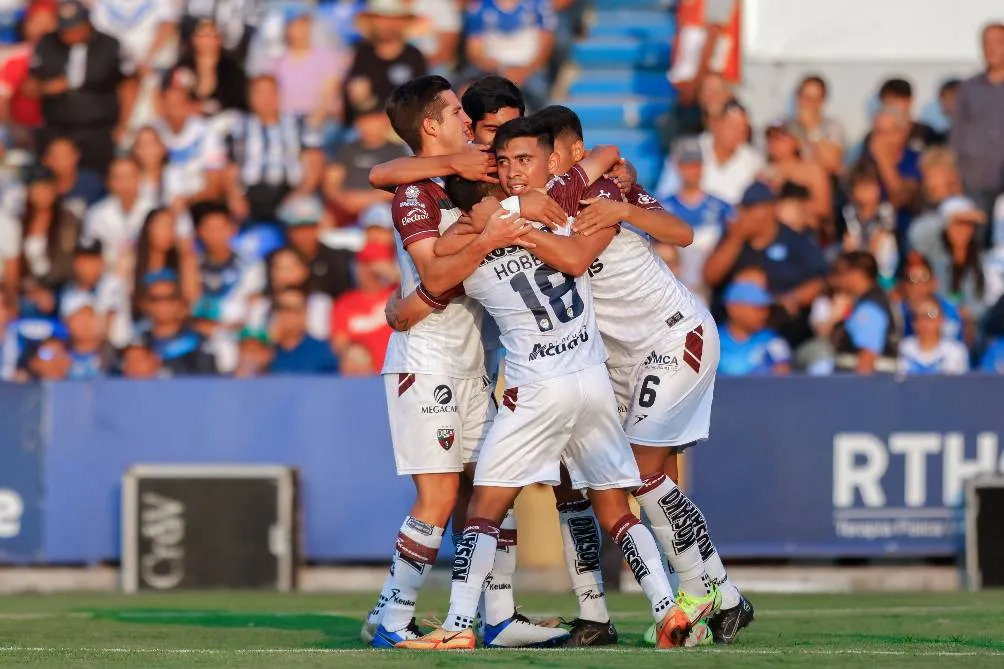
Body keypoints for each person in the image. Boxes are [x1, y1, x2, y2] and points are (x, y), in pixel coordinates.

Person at [399, 119, 715, 652]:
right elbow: (599, 159)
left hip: (536, 388)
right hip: (591, 379)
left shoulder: (468, 247)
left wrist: (484, 232)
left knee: (484, 508)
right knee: (616, 507)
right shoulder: (560, 203)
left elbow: (429, 283)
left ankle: (457, 625)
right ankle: (666, 609)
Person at [364, 76, 558, 650]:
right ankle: (394, 623)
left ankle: (498, 617)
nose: (466, 119)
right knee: (440, 498)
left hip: (472, 362)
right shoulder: (416, 193)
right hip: (427, 363)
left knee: (489, 489)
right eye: (453, 110)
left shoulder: (459, 178)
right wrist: (488, 237)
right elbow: (436, 275)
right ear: (430, 124)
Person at [703, 181, 829, 349]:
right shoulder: (732, 238)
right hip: (732, 337)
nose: (746, 214)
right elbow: (710, 277)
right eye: (744, 208)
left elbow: (820, 280)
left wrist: (792, 298)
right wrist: (736, 239)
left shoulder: (794, 241)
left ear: (770, 209)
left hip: (785, 333)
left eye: (752, 208)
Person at [29, 0, 131, 174]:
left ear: (87, 23)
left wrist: (123, 125)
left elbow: (128, 86)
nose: (70, 34)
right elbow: (29, 86)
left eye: (75, 28)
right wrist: (46, 88)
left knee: (98, 179)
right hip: (58, 129)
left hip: (98, 130)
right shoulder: (46, 44)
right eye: (65, 29)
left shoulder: (110, 45)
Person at [225, 75, 325, 226]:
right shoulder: (239, 127)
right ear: (250, 97)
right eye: (260, 93)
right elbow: (231, 167)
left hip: (290, 192)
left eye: (270, 93)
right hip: (251, 194)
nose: (266, 99)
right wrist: (234, 196)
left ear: (279, 95)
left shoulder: (299, 124)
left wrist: (300, 194)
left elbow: (315, 162)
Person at [660, 137, 735, 300]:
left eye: (696, 164)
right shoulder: (662, 208)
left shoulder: (721, 207)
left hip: (714, 288)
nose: (692, 170)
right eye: (686, 165)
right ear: (676, 167)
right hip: (676, 289)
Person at [342, 0, 427, 128]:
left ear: (402, 23)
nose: (386, 25)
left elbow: (418, 99)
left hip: (403, 125)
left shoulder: (414, 55)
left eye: (392, 19)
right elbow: (355, 98)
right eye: (380, 19)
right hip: (368, 124)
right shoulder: (362, 53)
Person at [951, 23, 1004, 220]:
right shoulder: (969, 88)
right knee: (976, 235)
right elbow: (957, 134)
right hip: (975, 179)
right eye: (986, 43)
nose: (991, 49)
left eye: (998, 43)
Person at [463, 0, 556, 111]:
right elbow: (475, 51)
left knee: (538, 92)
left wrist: (523, 71)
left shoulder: (539, 4)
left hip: (529, 68)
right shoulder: (478, 7)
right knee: (466, 91)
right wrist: (501, 71)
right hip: (492, 69)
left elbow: (546, 45)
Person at [135, 268, 218, 375]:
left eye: (169, 298)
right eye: (155, 299)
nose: (163, 304)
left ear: (179, 302)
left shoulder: (200, 343)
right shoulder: (139, 342)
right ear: (146, 304)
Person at [331, 241, 397, 373]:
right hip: (362, 381)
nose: (365, 270)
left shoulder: (399, 294)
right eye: (361, 263)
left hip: (396, 376)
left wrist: (396, 276)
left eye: (372, 264)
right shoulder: (345, 302)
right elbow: (339, 344)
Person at [0, 0, 57, 149]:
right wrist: (11, 129)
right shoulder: (16, 57)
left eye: (48, 21)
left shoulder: (68, 56)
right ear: (27, 25)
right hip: (23, 131)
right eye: (37, 21)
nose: (43, 28)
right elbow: (2, 99)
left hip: (59, 130)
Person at [830, 251, 898, 374]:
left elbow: (867, 357)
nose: (835, 279)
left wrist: (860, 391)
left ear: (857, 274)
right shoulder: (870, 302)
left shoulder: (869, 310)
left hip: (867, 388)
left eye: (840, 273)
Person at [717, 280, 791, 375]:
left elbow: (784, 373)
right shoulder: (712, 339)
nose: (764, 315)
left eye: (765, 309)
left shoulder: (772, 339)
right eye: (757, 308)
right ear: (733, 308)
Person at [267, 286, 338, 375]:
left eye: (295, 309)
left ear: (304, 314)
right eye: (283, 308)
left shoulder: (322, 351)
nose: (288, 315)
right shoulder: (267, 349)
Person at [785, 74, 845, 176]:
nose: (804, 103)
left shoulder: (832, 127)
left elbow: (832, 163)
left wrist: (811, 128)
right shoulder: (788, 126)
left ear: (821, 102)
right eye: (802, 96)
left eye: (810, 99)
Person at [898, 297, 969, 375]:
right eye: (918, 316)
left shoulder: (955, 352)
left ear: (941, 319)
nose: (924, 322)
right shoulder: (903, 349)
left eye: (931, 314)